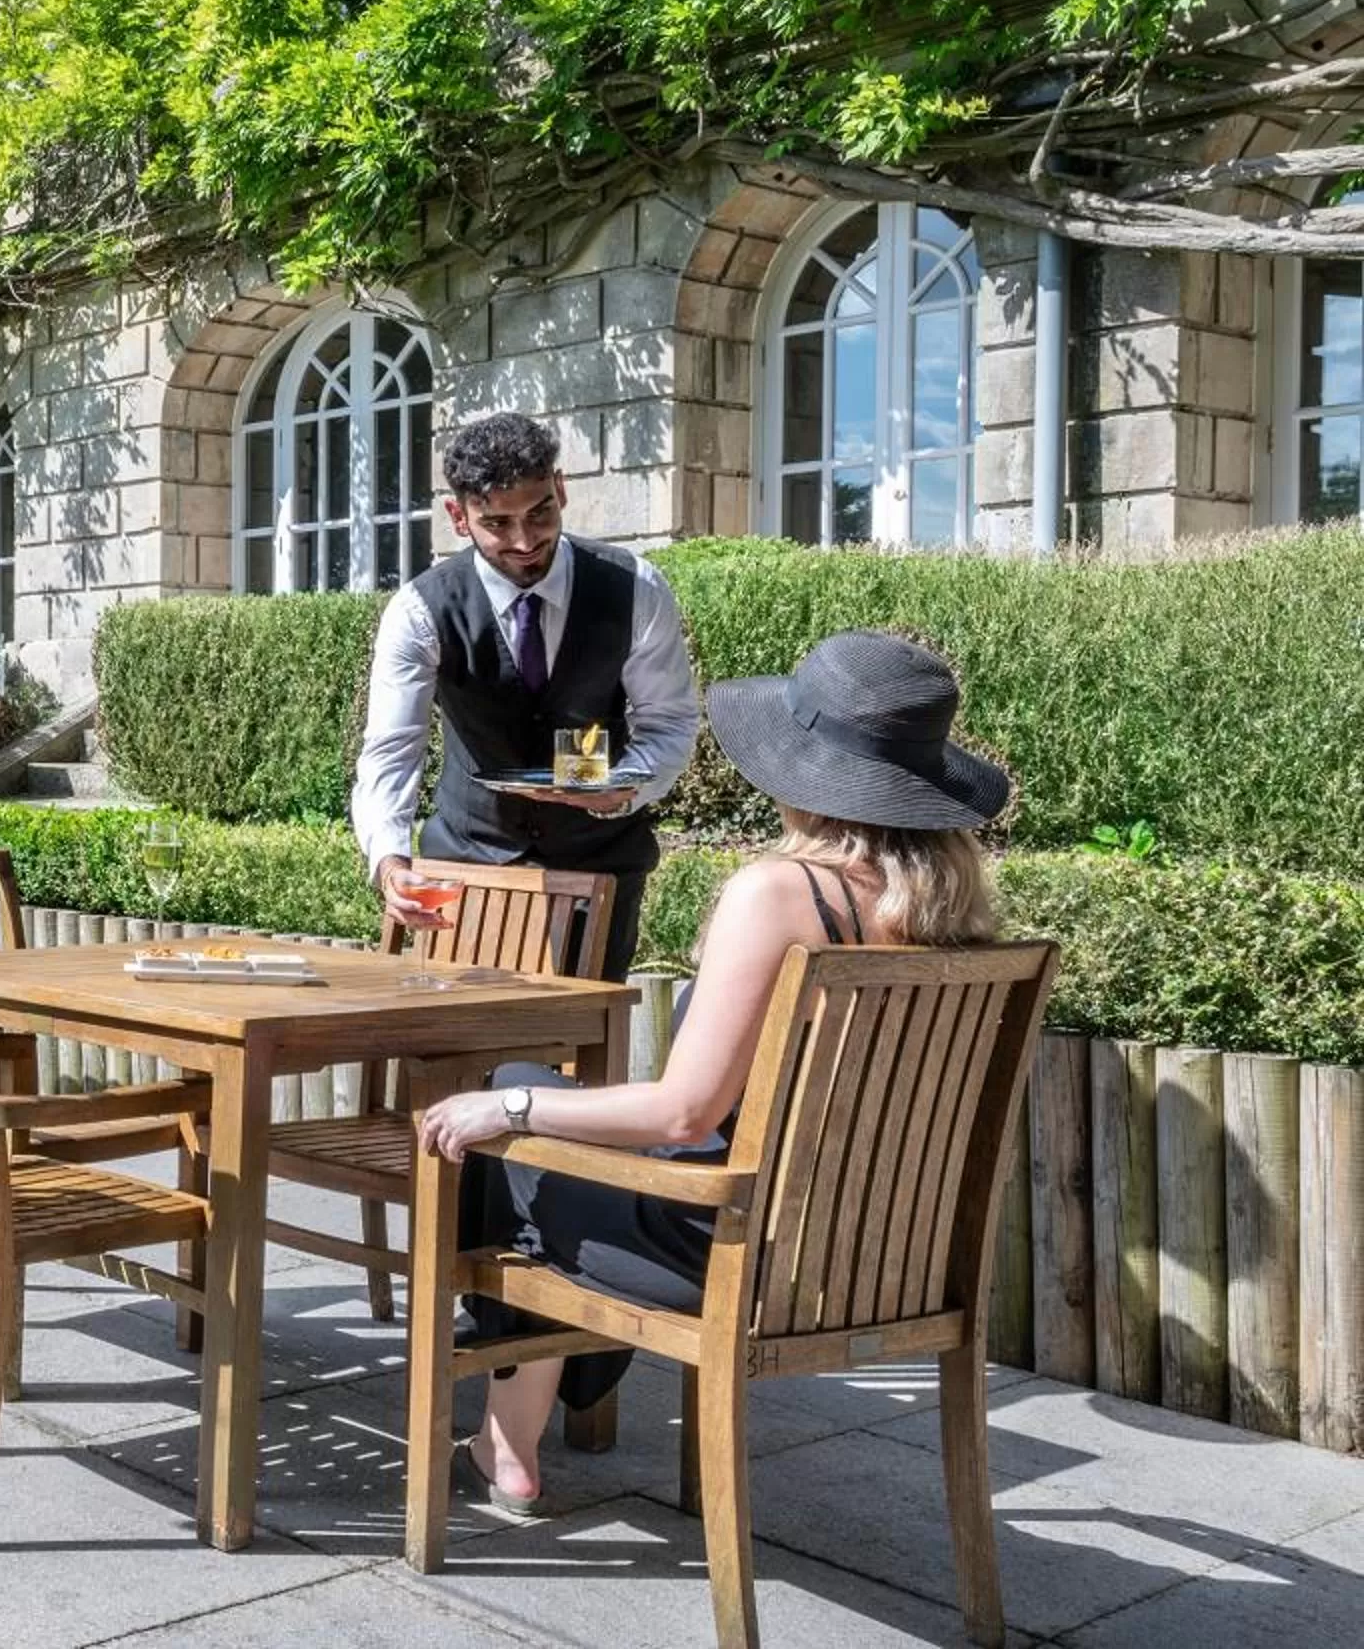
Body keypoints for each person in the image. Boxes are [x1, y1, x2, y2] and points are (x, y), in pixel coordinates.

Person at [414, 629, 1013, 1512]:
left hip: (729, 1248)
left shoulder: (781, 894)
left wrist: (512, 1107)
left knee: (504, 1142)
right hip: (868, 1262)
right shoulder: (957, 919)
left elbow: (684, 1115)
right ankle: (510, 1445)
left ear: (799, 768)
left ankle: (507, 1445)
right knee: (526, 1115)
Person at [352, 411, 699, 979]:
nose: (524, 540)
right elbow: (392, 751)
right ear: (458, 517)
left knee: (587, 1053)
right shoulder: (419, 611)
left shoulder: (635, 588)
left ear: (560, 489)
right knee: (460, 1056)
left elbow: (669, 721)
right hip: (472, 870)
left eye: (541, 512)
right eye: (498, 523)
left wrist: (623, 790)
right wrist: (390, 863)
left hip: (601, 869)